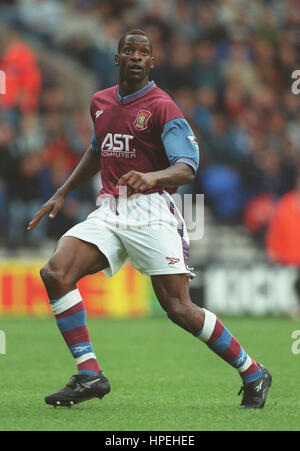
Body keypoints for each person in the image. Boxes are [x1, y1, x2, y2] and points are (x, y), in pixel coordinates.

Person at [28, 29, 271, 409]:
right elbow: (97, 149)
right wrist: (63, 191)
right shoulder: (100, 102)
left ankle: (252, 371)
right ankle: (90, 373)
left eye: (144, 52)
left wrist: (152, 177)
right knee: (55, 273)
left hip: (154, 210)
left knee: (178, 308)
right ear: (118, 58)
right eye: (130, 50)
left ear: (152, 62)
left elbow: (187, 167)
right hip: (111, 209)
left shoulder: (162, 107)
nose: (137, 57)